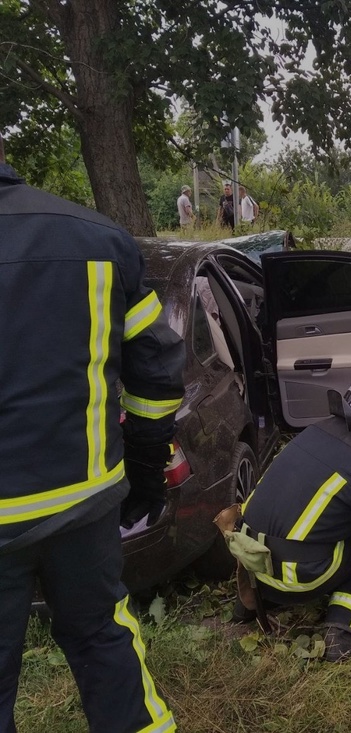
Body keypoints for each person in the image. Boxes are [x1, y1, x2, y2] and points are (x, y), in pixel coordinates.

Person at [0, 135, 185, 732]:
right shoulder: (100, 240)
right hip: (83, 503)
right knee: (104, 640)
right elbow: (156, 378)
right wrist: (148, 470)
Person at [228, 367, 351, 662]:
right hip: (296, 576)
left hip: (250, 558)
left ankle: (248, 605)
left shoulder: (316, 430)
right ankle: (344, 633)